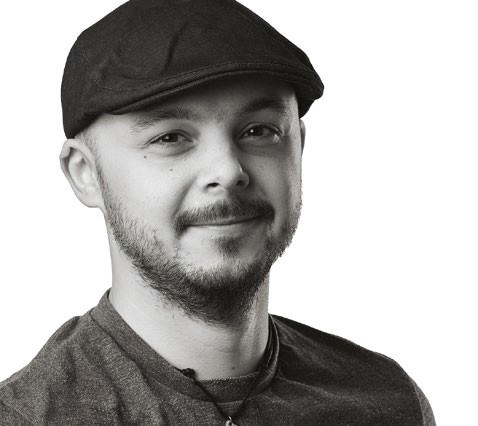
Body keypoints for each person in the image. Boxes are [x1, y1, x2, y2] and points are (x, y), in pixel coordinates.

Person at [0, 0, 435, 424]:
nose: (228, 171)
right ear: (86, 174)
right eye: (171, 138)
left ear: (298, 148)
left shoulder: (387, 402)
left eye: (259, 131)